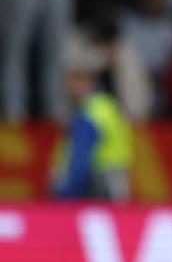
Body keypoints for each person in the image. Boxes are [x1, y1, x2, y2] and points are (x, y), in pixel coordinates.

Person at [51, 34, 132, 201]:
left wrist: (64, 199)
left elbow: (79, 166)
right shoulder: (107, 105)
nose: (67, 85)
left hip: (96, 194)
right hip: (113, 191)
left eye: (73, 77)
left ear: (86, 80)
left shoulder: (90, 114)